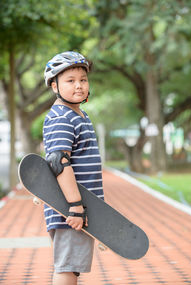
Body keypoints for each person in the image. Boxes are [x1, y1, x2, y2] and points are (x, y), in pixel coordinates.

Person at [43, 51, 104, 285]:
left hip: (79, 206)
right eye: (70, 80)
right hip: (70, 209)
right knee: (67, 267)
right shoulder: (61, 117)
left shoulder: (79, 114)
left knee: (72, 268)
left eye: (83, 79)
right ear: (54, 86)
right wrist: (75, 206)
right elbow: (59, 162)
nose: (79, 86)